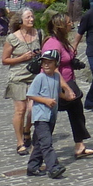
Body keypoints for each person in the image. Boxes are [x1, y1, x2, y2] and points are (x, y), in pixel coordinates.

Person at [43, 14, 93, 160]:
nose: (72, 24)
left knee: (77, 113)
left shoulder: (62, 41)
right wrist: (66, 88)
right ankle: (38, 150)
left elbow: (65, 59)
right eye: (69, 22)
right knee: (48, 120)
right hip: (55, 87)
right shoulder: (52, 44)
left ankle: (80, 145)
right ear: (61, 26)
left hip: (69, 82)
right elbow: (51, 68)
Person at [1, 8, 42, 155]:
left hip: (35, 77)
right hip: (18, 78)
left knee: (33, 109)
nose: (31, 19)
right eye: (28, 17)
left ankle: (27, 130)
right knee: (21, 110)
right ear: (20, 21)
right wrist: (21, 58)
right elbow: (5, 60)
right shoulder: (13, 38)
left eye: (32, 16)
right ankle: (20, 142)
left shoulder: (38, 34)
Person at [24, 48, 66, 178]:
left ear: (56, 64)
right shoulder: (40, 77)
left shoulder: (57, 77)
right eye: (44, 62)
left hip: (51, 116)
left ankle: (33, 167)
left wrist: (68, 96)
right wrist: (45, 101)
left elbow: (57, 92)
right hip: (41, 116)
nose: (46, 65)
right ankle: (53, 167)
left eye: (50, 62)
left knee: (39, 143)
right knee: (47, 143)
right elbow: (31, 94)